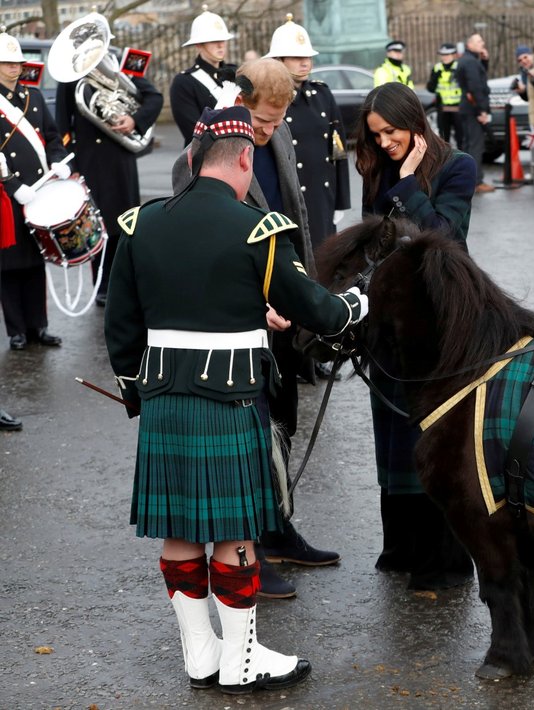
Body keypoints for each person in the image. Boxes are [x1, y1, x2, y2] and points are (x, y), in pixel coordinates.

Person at [104, 104, 367, 694]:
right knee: (233, 529)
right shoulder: (258, 229)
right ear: (245, 157)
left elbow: (121, 328)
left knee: (178, 527)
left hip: (165, 398)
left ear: (194, 159)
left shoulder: (140, 224)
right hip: (230, 399)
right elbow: (319, 312)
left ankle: (201, 653)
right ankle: (240, 659)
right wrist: (358, 303)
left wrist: (137, 394)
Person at [172, 59, 340, 599]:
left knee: (284, 421)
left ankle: (279, 527)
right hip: (242, 322)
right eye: (263, 121)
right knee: (252, 436)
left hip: (287, 308)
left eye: (278, 121)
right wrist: (254, 305)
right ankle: (253, 550)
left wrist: (307, 290)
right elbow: (199, 252)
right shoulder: (197, 157)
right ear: (240, 100)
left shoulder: (281, 133)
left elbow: (297, 217)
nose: (270, 132)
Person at [353, 81, 477, 590]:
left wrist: (407, 183)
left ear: (414, 121)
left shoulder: (458, 166)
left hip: (438, 319)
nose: (383, 142)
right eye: (375, 134)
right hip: (390, 313)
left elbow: (448, 238)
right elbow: (373, 238)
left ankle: (444, 559)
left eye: (390, 131)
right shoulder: (377, 166)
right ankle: (402, 546)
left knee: (431, 432)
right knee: (391, 429)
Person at [56, 15, 163, 308]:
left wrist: (134, 119)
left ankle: (126, 281)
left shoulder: (123, 65)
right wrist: (72, 167)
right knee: (99, 226)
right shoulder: (70, 77)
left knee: (126, 222)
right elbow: (63, 125)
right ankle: (102, 285)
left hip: (120, 157)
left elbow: (154, 97)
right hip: (90, 160)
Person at [0, 30, 67, 350]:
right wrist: (12, 186)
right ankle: (17, 330)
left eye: (18, 62)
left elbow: (53, 138)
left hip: (39, 190)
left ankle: (38, 326)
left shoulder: (34, 97)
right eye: (8, 63)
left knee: (36, 260)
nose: (16, 67)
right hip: (7, 195)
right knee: (9, 263)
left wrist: (59, 161)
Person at [266, 15, 350, 253]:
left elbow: (338, 150)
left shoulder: (322, 94)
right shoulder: (270, 98)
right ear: (279, 60)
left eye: (307, 57)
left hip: (322, 197)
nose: (305, 63)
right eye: (296, 57)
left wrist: (341, 200)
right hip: (287, 199)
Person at [169, 6, 237, 146]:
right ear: (199, 45)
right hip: (206, 158)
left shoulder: (236, 73)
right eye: (213, 40)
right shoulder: (184, 82)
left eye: (222, 39)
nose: (220, 45)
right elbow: (193, 132)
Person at [455, 32, 494, 193]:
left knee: (469, 144)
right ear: (469, 45)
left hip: (467, 108)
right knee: (476, 146)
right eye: (479, 41)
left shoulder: (468, 60)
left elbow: (479, 77)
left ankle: (466, 179)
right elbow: (475, 87)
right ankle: (476, 182)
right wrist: (482, 110)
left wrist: (484, 61)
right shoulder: (470, 62)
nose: (482, 43)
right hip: (473, 109)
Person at [425, 42, 462, 143]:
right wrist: (434, 79)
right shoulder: (437, 68)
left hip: (458, 107)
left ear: (453, 55)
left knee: (461, 136)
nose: (444, 57)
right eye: (443, 55)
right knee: (444, 136)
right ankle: (446, 158)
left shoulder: (459, 67)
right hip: (443, 107)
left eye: (447, 55)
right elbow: (430, 88)